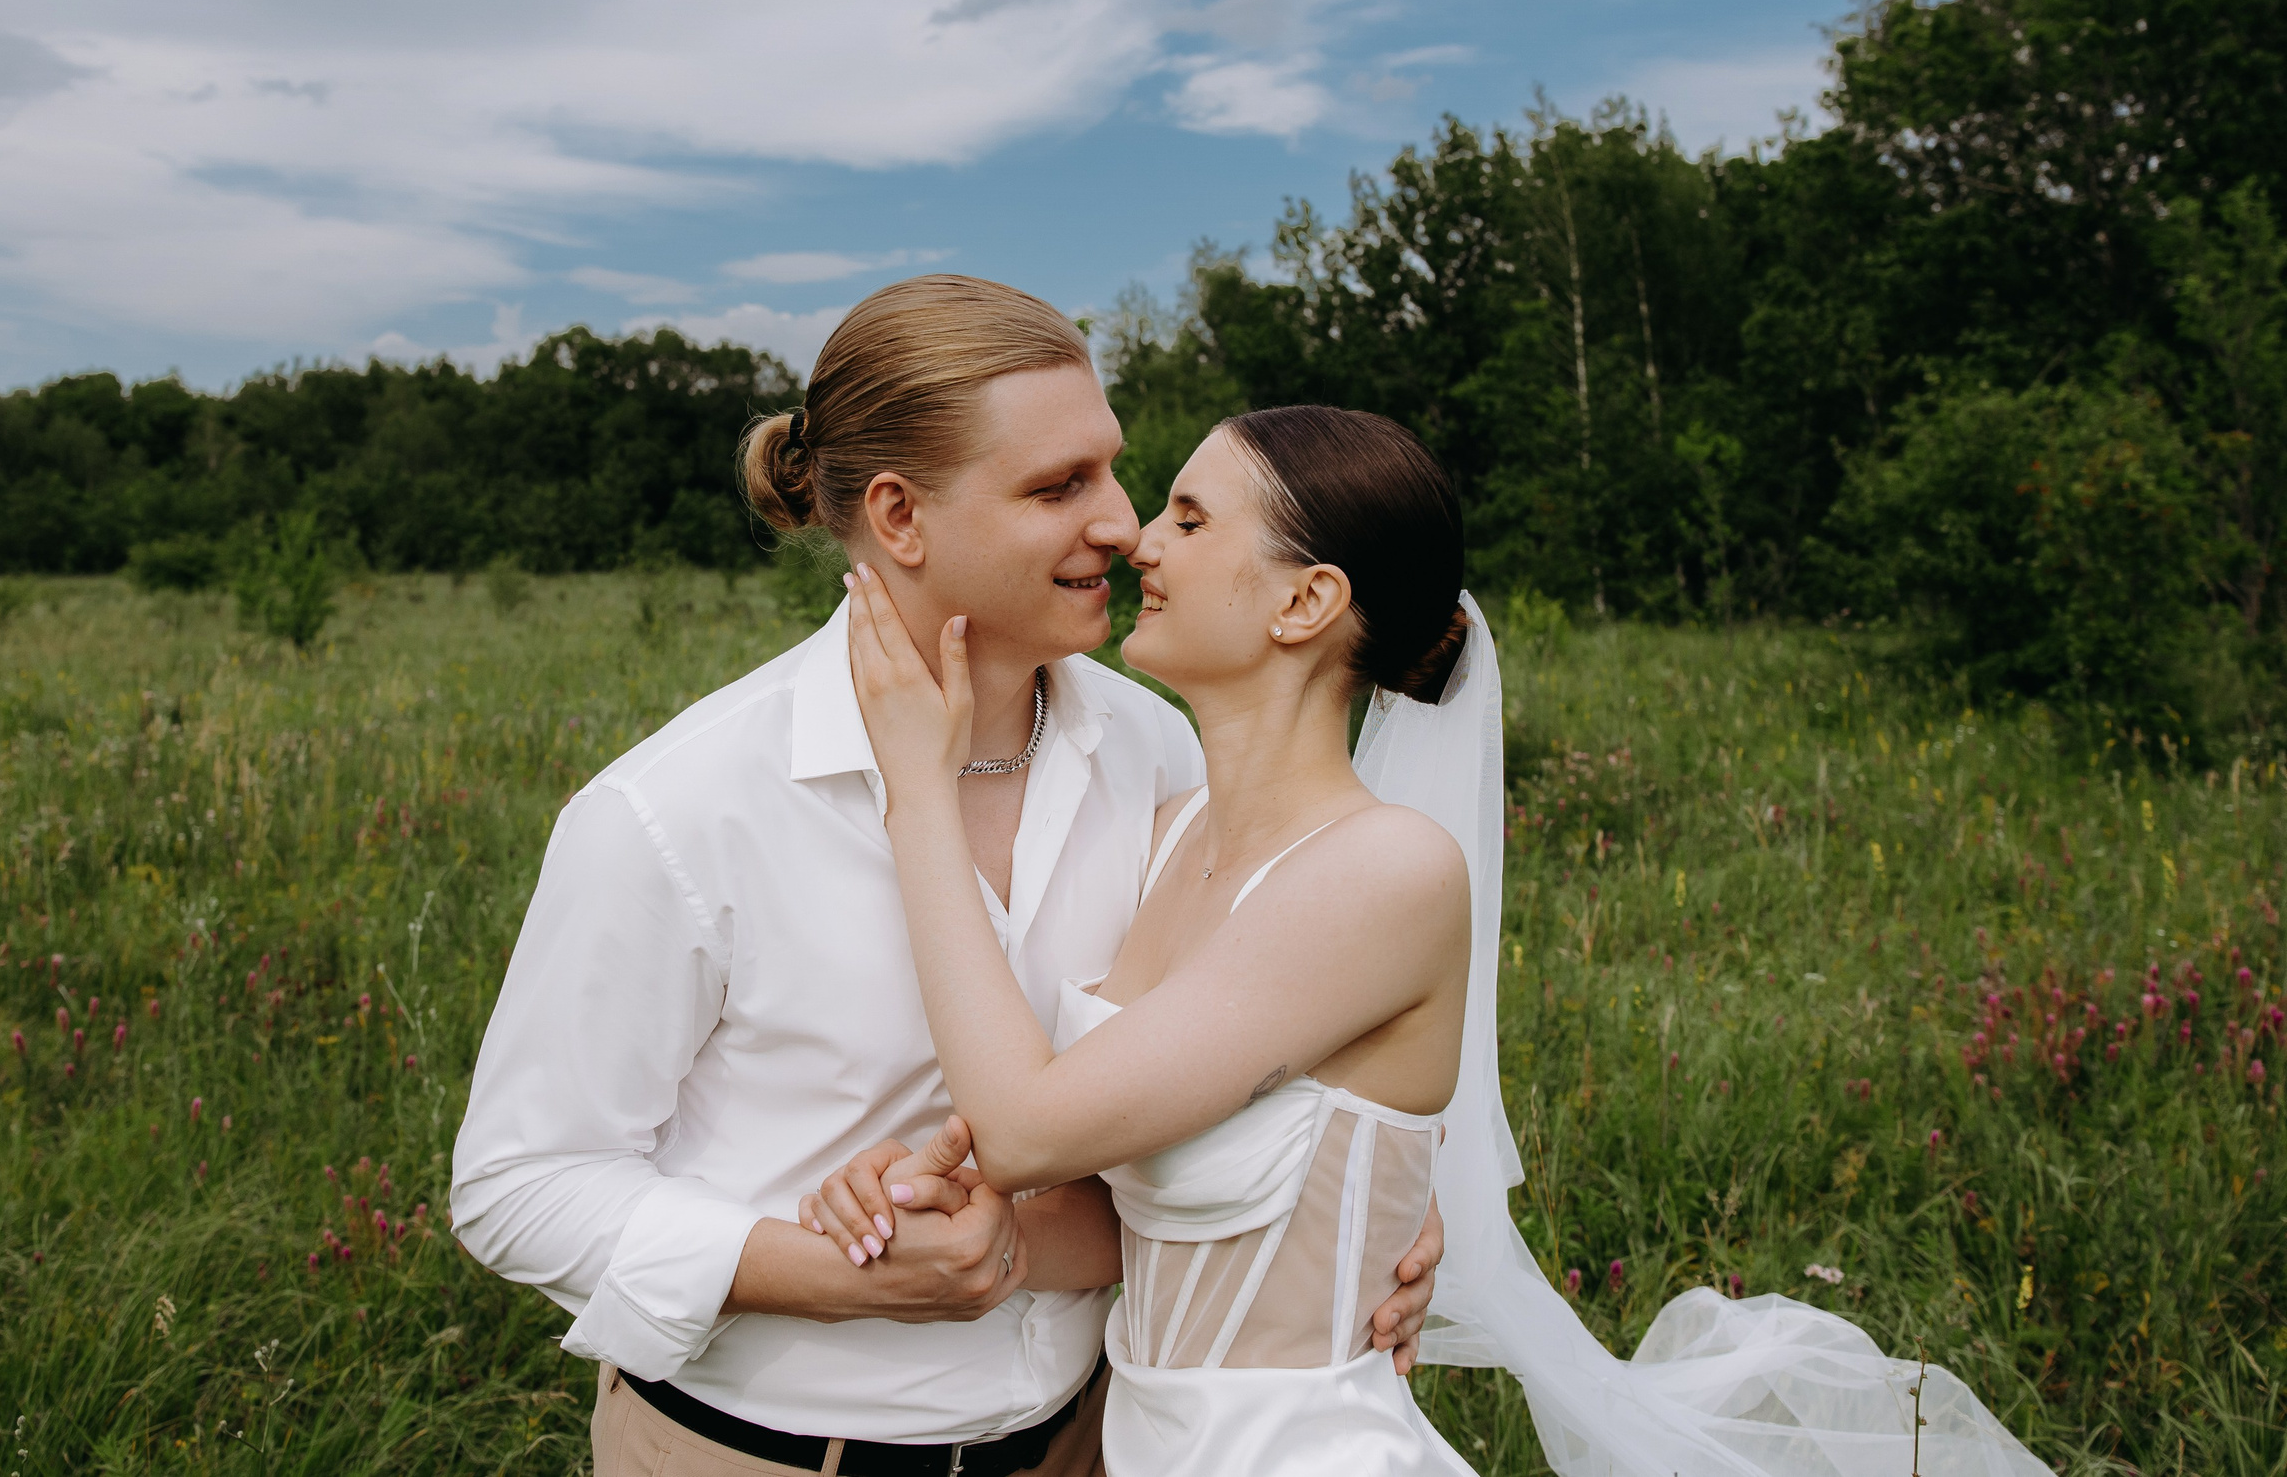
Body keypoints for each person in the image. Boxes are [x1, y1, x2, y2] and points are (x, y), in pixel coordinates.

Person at [822, 404, 2058, 1477]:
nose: (1138, 540)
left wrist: (917, 789)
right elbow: (1113, 1194)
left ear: (1306, 601)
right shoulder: (1168, 831)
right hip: (1141, 1442)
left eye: (1189, 521)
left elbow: (1028, 1127)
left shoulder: (1386, 872)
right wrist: (945, 1208)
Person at [450, 278, 1446, 1477]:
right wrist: (825, 1273)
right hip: (765, 1455)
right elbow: (518, 1185)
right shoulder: (678, 809)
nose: (1121, 526)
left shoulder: (1159, 757)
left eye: (1114, 471)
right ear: (899, 516)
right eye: (1057, 487)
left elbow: (1246, 1060)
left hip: (1091, 1444)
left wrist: (1356, 1209)